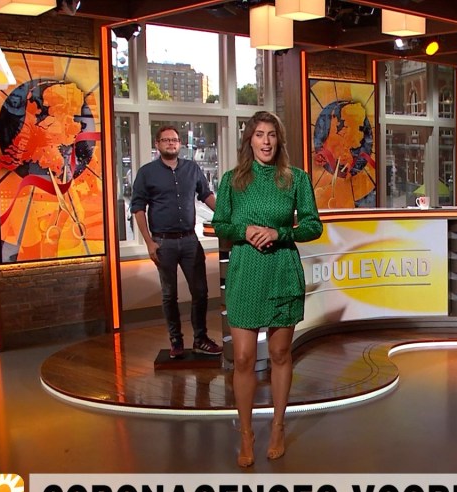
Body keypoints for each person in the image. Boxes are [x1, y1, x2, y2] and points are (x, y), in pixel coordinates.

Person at [211, 111, 322, 468]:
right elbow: (219, 224)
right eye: (259, 134)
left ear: (279, 140)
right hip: (245, 272)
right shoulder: (232, 181)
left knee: (280, 353)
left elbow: (313, 225)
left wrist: (280, 232)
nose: (266, 141)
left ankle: (277, 427)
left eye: (272, 134)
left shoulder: (295, 179)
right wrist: (244, 231)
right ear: (250, 140)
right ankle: (246, 433)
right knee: (244, 358)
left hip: (282, 271)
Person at [130, 126, 223, 359]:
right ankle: (176, 341)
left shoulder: (192, 169)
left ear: (180, 144)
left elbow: (206, 195)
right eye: (166, 140)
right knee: (169, 295)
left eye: (174, 140)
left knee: (200, 292)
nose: (171, 143)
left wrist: (227, 214)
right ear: (157, 144)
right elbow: (138, 209)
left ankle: (200, 339)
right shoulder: (146, 173)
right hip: (163, 243)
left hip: (190, 240)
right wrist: (149, 243)